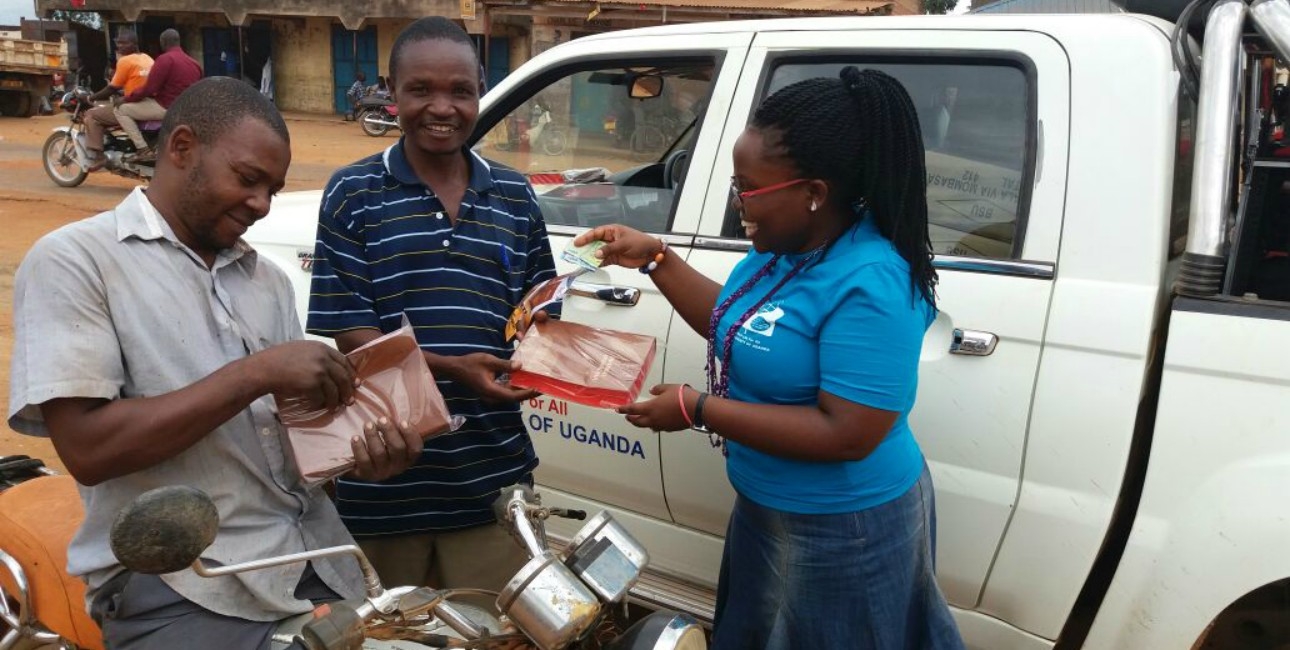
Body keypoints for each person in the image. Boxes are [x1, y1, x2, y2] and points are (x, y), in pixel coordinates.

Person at [7, 78, 422, 650]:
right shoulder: (76, 262)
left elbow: (290, 452)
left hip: (317, 560)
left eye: (273, 190)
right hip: (181, 585)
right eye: (248, 180)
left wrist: (360, 461)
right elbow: (87, 450)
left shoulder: (267, 282)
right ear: (181, 148)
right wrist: (257, 373)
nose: (261, 205)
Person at [573, 67, 965, 649]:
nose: (737, 203)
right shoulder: (783, 251)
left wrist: (696, 408)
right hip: (768, 510)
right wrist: (657, 259)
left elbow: (847, 433)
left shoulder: (872, 279)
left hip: (844, 529)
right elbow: (740, 328)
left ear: (813, 193)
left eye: (747, 188)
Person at [307, 17, 555, 604]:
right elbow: (352, 334)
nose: (441, 107)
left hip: (492, 478)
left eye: (460, 91)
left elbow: (538, 311)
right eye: (420, 90)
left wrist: (560, 352)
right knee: (393, 633)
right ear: (392, 92)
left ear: (479, 90)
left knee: (494, 631)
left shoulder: (516, 196)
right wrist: (454, 368)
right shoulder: (354, 193)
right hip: (387, 475)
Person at [115, 28, 201, 163]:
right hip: (186, 110)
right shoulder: (195, 64)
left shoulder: (165, 60)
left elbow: (150, 89)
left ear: (163, 42)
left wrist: (126, 98)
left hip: (166, 108)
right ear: (178, 42)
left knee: (121, 110)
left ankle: (142, 149)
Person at [84, 29, 153, 169]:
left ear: (134, 44)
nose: (120, 46)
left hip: (133, 105)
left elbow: (112, 88)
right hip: (147, 103)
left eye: (124, 43)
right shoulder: (147, 58)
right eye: (118, 43)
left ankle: (99, 156)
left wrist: (91, 97)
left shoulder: (125, 61)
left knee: (92, 115)